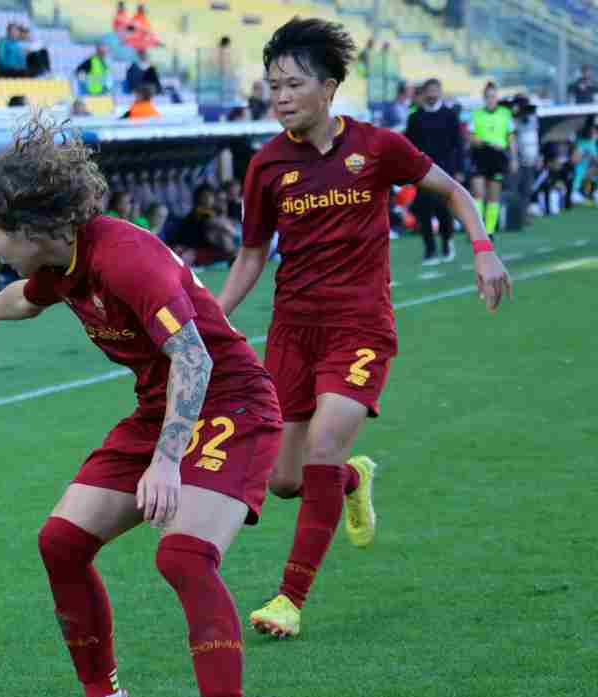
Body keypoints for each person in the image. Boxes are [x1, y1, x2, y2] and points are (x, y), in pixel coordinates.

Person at [0, 114, 282, 697]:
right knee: (61, 542)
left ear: (31, 224)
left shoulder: (125, 257)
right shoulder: (60, 261)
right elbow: (25, 297)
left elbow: (196, 358)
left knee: (182, 553)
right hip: (161, 409)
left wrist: (166, 460)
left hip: (231, 403)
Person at [216, 18, 511, 640]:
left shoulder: (376, 147)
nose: (281, 98)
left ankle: (288, 600)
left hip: (360, 326)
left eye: (292, 85)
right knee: (284, 479)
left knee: (324, 446)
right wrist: (212, 319)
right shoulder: (266, 166)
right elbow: (249, 254)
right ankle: (353, 478)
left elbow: (454, 189)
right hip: (292, 329)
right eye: (272, 87)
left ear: (328, 87)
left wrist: (483, 247)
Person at [405, 78, 465, 266]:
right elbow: (409, 147)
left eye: (435, 91)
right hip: (423, 170)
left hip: (446, 169)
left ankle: (447, 241)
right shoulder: (415, 118)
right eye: (429, 91)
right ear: (424, 93)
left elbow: (459, 145)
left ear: (440, 92)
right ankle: (429, 249)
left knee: (442, 207)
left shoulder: (450, 115)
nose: (432, 95)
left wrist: (459, 169)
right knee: (424, 209)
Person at [469, 82, 517, 234]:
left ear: (497, 97)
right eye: (488, 96)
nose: (491, 99)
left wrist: (514, 158)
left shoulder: (505, 113)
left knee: (493, 195)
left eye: (493, 96)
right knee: (477, 193)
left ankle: (489, 232)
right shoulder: (476, 114)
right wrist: (484, 142)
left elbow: (511, 137)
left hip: (498, 157)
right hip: (480, 155)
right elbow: (471, 137)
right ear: (484, 98)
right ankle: (478, 229)